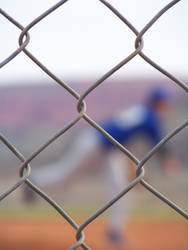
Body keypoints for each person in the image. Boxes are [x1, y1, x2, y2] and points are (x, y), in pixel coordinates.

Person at [23, 86, 180, 248]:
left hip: (109, 151)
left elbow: (122, 138)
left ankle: (114, 233)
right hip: (95, 143)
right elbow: (159, 144)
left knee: (119, 188)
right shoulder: (150, 117)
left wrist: (131, 164)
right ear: (158, 103)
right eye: (165, 104)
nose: (167, 107)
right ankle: (35, 181)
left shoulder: (140, 112)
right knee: (66, 177)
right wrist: (168, 162)